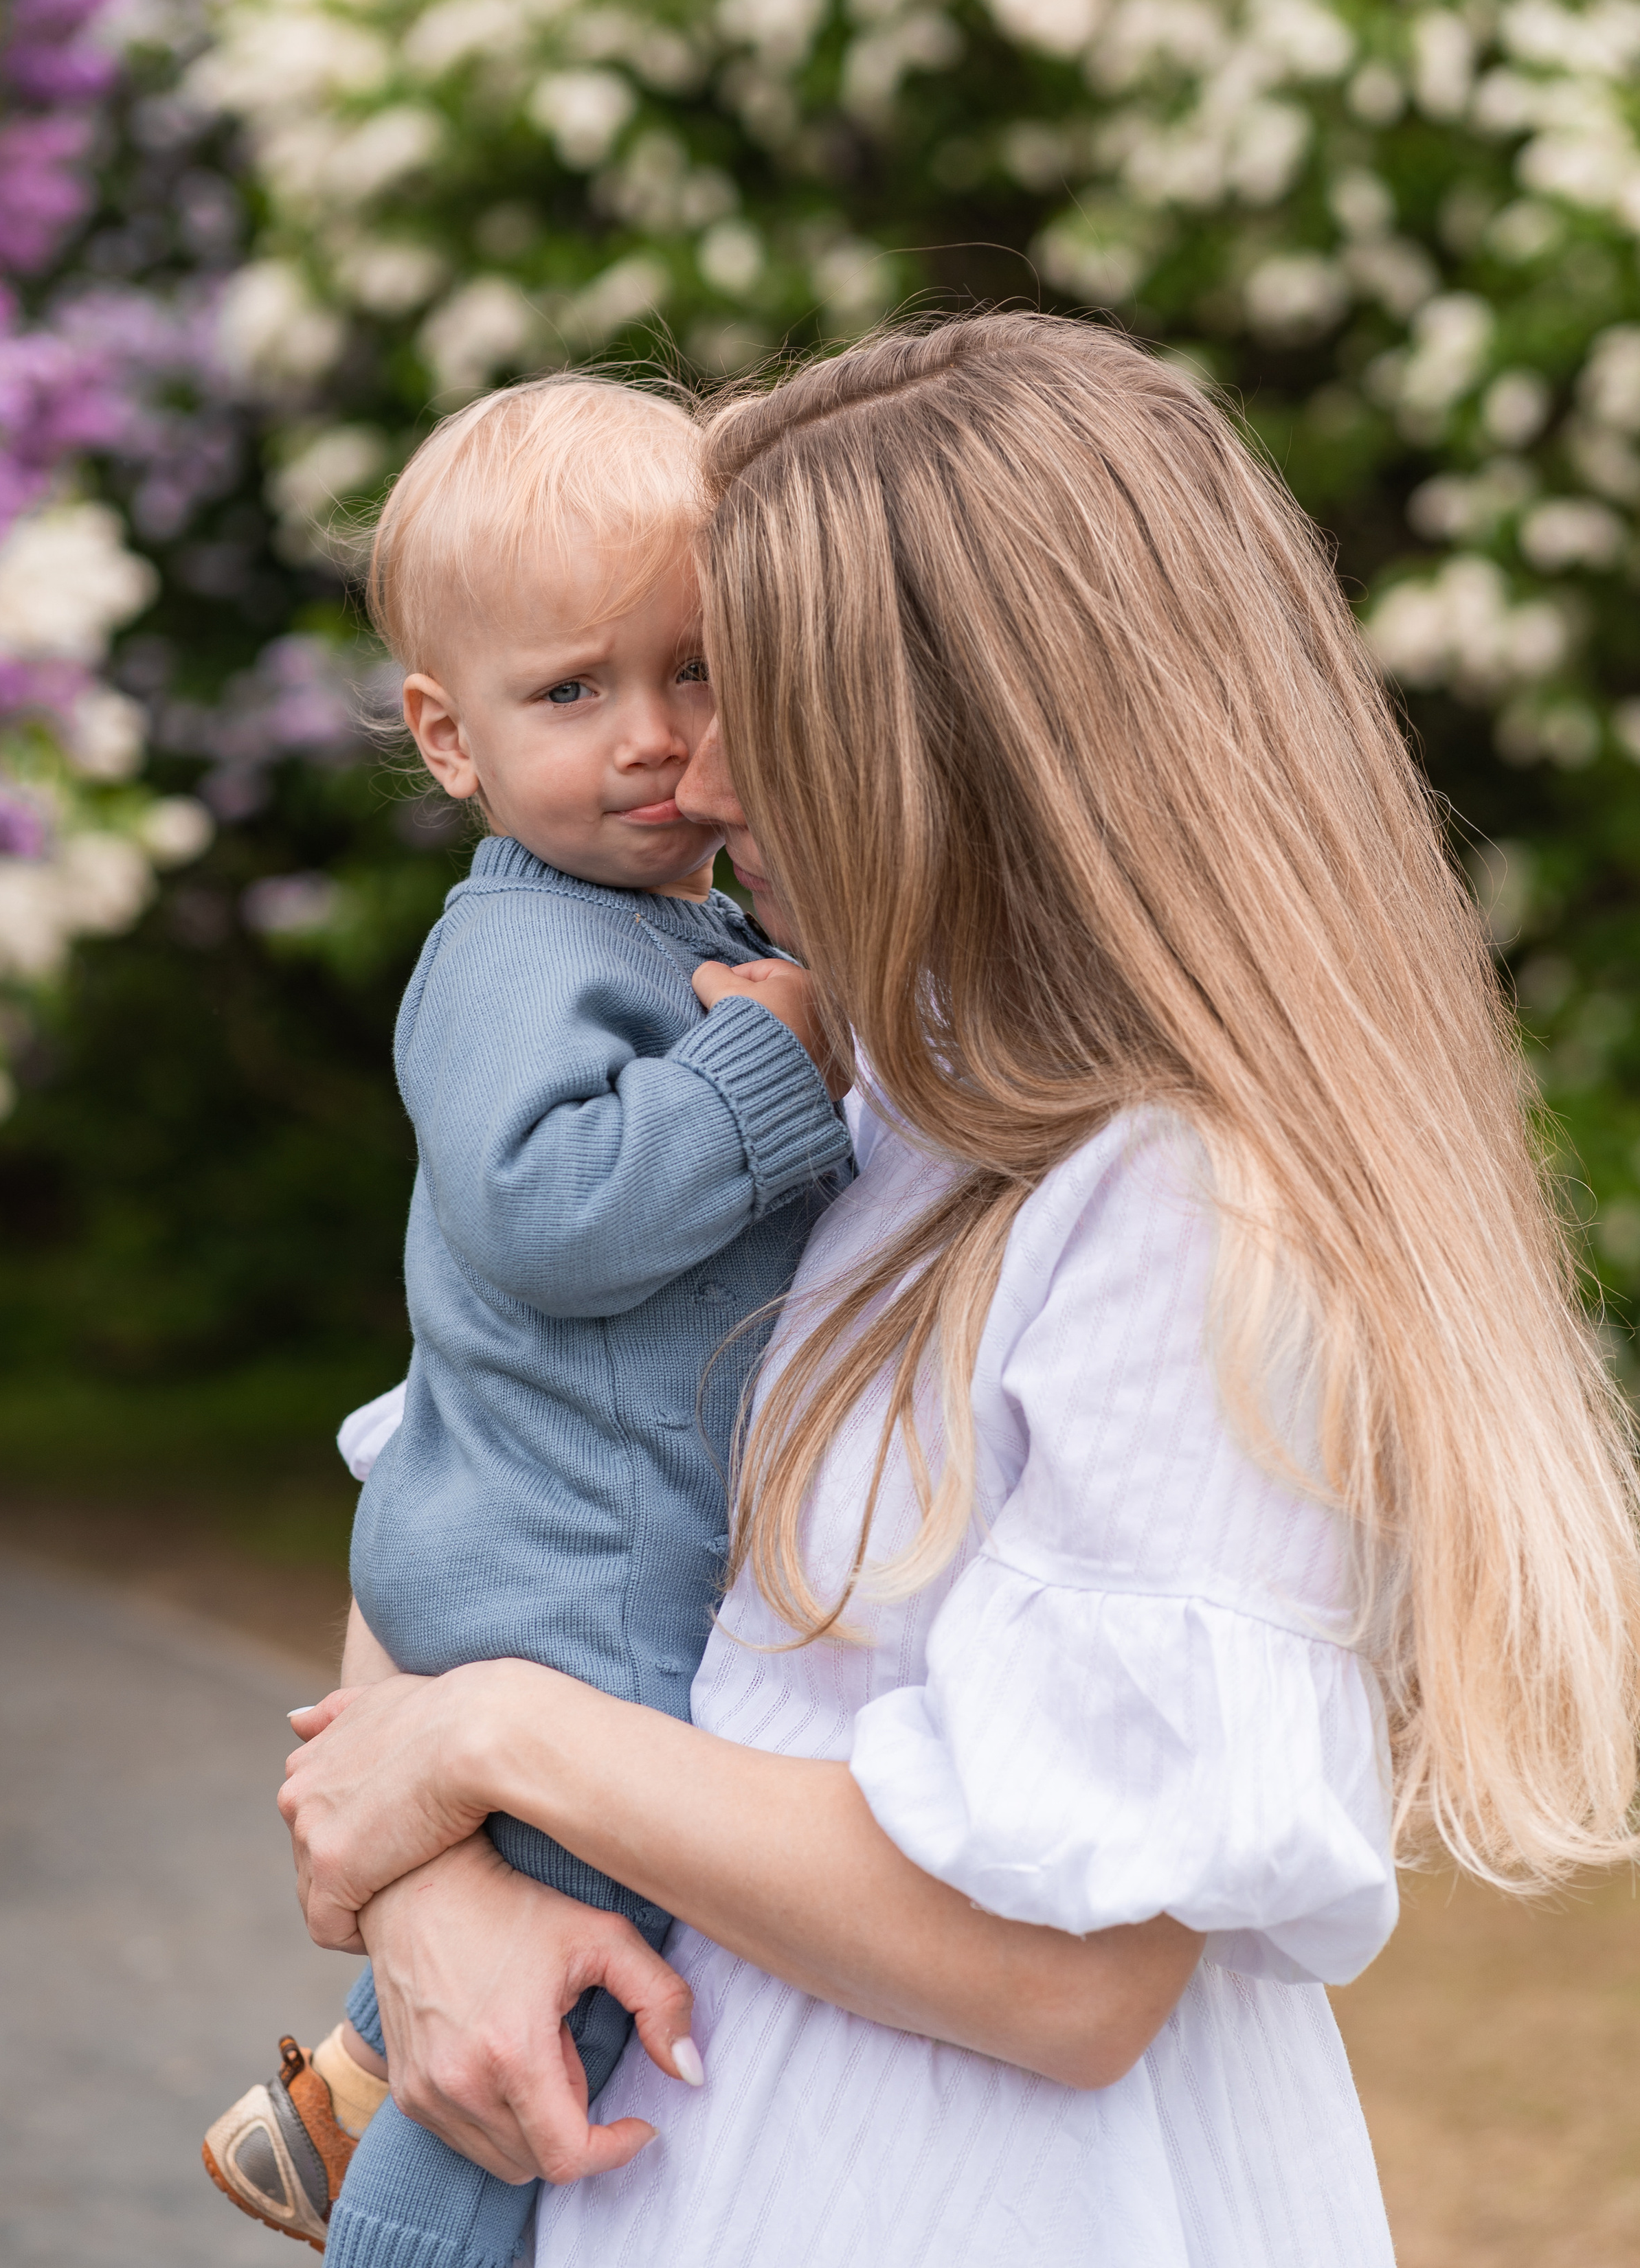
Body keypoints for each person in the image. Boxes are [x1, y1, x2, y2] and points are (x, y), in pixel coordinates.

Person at [278, 313, 1640, 2267]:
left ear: (959, 748)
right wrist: (437, 1888)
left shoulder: (1185, 1204)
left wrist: (496, 1742)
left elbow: (1064, 1981)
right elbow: (485, 1449)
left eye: (751, 693)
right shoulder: (847, 1068)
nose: (693, 766)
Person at [201, 374, 853, 2263]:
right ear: (451, 736)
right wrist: (767, 1078)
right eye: (574, 694)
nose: (652, 741)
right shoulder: (514, 951)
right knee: (539, 2018)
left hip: (572, 1553)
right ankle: (407, 2212)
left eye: (697, 672)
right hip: (571, 1602)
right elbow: (545, 1213)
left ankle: (329, 2111)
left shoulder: (660, 923)